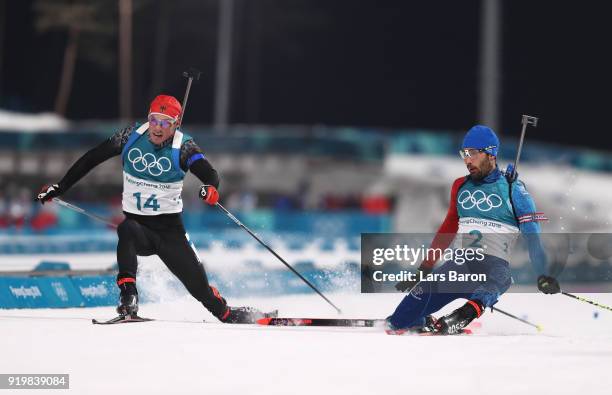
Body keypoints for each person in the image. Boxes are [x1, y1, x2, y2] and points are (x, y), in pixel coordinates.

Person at [36, 94, 271, 323]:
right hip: (139, 229)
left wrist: (210, 187)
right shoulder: (130, 135)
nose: (157, 128)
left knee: (202, 293)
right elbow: (92, 158)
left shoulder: (184, 145)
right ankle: (129, 297)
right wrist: (61, 186)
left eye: (165, 123)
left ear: (175, 124)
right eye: (154, 120)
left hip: (170, 234)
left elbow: (209, 173)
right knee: (126, 229)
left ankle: (228, 313)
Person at [387, 125, 560, 335]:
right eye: (464, 154)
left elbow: (533, 238)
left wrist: (543, 274)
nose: (467, 160)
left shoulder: (515, 190)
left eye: (472, 154)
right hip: (458, 268)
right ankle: (421, 319)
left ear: (490, 153)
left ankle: (463, 315)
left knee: (489, 287)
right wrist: (424, 269)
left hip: (493, 271)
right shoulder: (460, 186)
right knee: (398, 321)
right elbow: (447, 230)